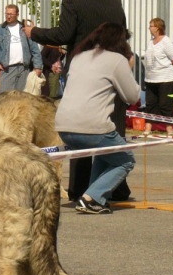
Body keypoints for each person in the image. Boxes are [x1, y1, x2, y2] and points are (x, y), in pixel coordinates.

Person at [23, 0, 130, 202]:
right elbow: (122, 33)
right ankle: (115, 187)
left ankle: (80, 187)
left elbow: (63, 34)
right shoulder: (115, 2)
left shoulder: (72, 1)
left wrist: (35, 32)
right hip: (111, 69)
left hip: (81, 71)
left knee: (83, 129)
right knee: (113, 126)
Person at [56, 23, 140, 214]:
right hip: (92, 126)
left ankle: (91, 197)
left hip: (64, 125)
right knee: (126, 160)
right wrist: (129, 68)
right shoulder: (116, 60)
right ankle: (93, 197)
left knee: (106, 153)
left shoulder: (78, 57)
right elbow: (132, 96)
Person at [0, 4, 42, 93]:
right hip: (7, 69)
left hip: (24, 69)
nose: (8, 16)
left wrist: (37, 67)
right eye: (7, 14)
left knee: (23, 98)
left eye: (11, 14)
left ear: (17, 14)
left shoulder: (24, 28)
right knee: (5, 98)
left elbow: (35, 49)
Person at [143, 18, 173, 137]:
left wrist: (170, 69)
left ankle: (169, 129)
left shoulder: (166, 41)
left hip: (166, 78)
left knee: (165, 104)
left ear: (158, 27)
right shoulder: (151, 42)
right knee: (150, 104)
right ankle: (148, 129)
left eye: (151, 26)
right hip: (151, 78)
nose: (149, 28)